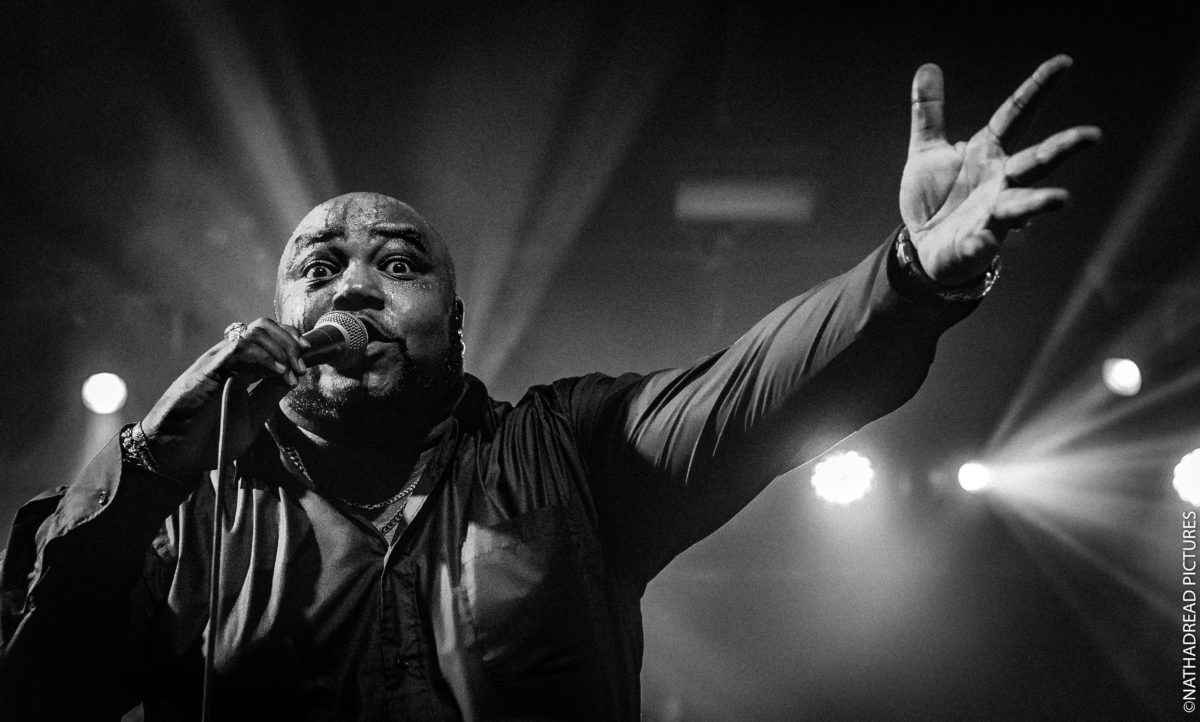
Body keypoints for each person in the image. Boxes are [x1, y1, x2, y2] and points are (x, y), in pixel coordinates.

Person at [0, 56, 1099, 720]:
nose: (357, 286)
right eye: (320, 266)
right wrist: (145, 466)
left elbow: (756, 387)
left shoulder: (568, 452)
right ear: (278, 315)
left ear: (455, 322)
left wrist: (908, 276)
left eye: (399, 263)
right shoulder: (183, 508)